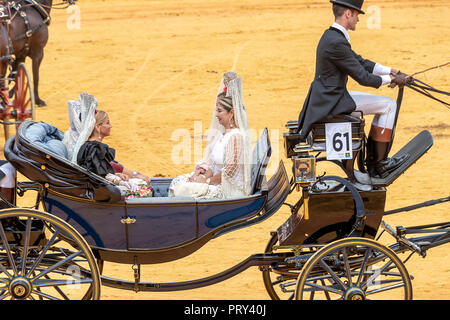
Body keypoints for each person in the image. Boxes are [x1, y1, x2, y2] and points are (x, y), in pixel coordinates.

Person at [297, 0, 410, 179]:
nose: (358, 19)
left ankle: (374, 161)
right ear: (348, 14)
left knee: (381, 103)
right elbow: (364, 78)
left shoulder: (332, 36)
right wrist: (393, 80)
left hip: (332, 98)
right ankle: (378, 164)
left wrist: (390, 70)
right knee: (388, 105)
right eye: (357, 15)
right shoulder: (336, 43)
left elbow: (360, 62)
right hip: (333, 103)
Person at [169, 72, 252, 199]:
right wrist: (202, 177)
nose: (216, 115)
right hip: (215, 183)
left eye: (219, 111)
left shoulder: (235, 137)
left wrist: (206, 182)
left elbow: (228, 173)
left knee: (182, 190)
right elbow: (214, 166)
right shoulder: (223, 134)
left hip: (226, 191)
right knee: (179, 182)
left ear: (231, 113)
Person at [76, 109, 151, 189]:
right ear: (97, 127)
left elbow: (100, 171)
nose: (110, 126)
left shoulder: (90, 146)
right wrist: (119, 181)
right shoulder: (96, 148)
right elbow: (99, 176)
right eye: (107, 123)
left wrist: (116, 175)